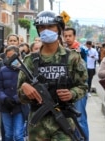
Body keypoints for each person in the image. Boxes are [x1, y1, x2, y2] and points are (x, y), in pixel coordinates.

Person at [17, 11, 88, 141]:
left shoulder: (72, 58)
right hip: (37, 125)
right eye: (42, 27)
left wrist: (72, 93)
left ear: (59, 29)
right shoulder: (30, 60)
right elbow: (20, 96)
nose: (46, 30)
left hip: (63, 120)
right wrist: (24, 88)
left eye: (51, 27)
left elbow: (83, 86)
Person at [0, 45, 28, 141]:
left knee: (18, 135)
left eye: (13, 57)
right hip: (5, 107)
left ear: (19, 56)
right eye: (8, 57)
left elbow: (27, 89)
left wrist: (15, 99)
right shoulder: (3, 70)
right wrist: (4, 98)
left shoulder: (25, 70)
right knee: (8, 135)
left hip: (19, 106)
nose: (10, 59)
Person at [63, 27, 89, 141]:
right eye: (66, 36)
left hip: (79, 89)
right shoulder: (63, 51)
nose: (68, 38)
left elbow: (84, 54)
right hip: (67, 90)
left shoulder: (80, 49)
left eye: (70, 36)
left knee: (80, 119)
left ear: (74, 37)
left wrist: (78, 50)